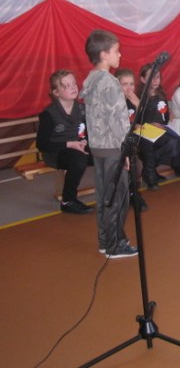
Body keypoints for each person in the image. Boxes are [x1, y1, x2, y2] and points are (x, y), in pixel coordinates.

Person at [80, 29, 138, 258]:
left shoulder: (91, 78)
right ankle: (115, 246)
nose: (120, 55)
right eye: (116, 51)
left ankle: (106, 241)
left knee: (105, 196)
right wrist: (126, 152)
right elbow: (118, 121)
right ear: (104, 55)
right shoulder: (109, 82)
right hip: (113, 148)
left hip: (98, 147)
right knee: (117, 199)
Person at [36, 70, 94, 215]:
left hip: (78, 147)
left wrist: (85, 140)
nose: (73, 87)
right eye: (66, 86)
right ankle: (68, 201)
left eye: (74, 83)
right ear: (56, 92)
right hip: (56, 153)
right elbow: (42, 145)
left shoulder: (82, 109)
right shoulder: (48, 114)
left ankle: (118, 190)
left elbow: (89, 132)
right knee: (78, 159)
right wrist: (70, 144)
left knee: (107, 152)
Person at [135, 63, 180, 190]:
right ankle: (149, 172)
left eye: (157, 77)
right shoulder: (139, 98)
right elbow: (135, 121)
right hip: (145, 132)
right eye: (151, 77)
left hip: (162, 129)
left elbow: (164, 113)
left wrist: (170, 116)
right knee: (166, 143)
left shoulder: (161, 94)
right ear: (143, 79)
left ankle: (173, 164)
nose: (155, 80)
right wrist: (148, 125)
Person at [113, 68, 149, 212]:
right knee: (135, 162)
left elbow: (143, 121)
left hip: (133, 138)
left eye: (131, 84)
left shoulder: (133, 100)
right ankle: (128, 193)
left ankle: (134, 191)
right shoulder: (114, 103)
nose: (129, 88)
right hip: (117, 140)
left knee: (147, 146)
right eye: (125, 84)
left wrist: (138, 106)